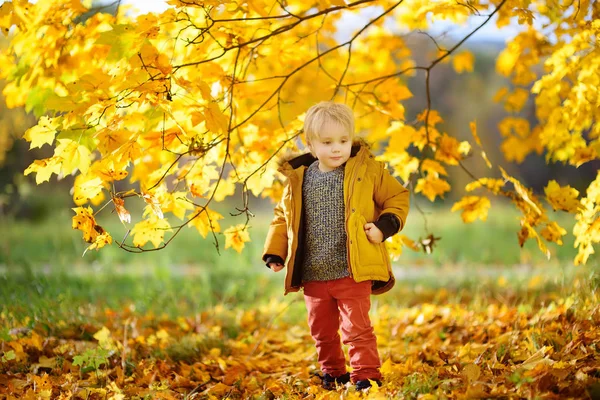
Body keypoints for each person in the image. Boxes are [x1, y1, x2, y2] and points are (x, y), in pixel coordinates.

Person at [262, 101, 410, 391]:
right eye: (327, 142)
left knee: (357, 328)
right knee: (322, 330)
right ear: (311, 144)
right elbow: (284, 217)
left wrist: (384, 227)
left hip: (351, 269)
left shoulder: (366, 171)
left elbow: (398, 197)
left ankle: (366, 376)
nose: (337, 148)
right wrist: (275, 252)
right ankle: (332, 373)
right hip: (313, 272)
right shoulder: (299, 178)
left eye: (343, 140)